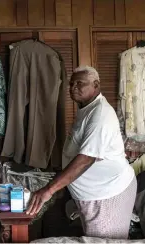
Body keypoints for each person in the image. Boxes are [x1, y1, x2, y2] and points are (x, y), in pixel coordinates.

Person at [26, 66, 137, 239]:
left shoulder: (100, 114)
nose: (73, 87)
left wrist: (49, 190)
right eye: (71, 84)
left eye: (80, 83)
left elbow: (86, 159)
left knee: (102, 242)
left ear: (96, 85)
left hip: (108, 194)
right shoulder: (87, 109)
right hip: (95, 194)